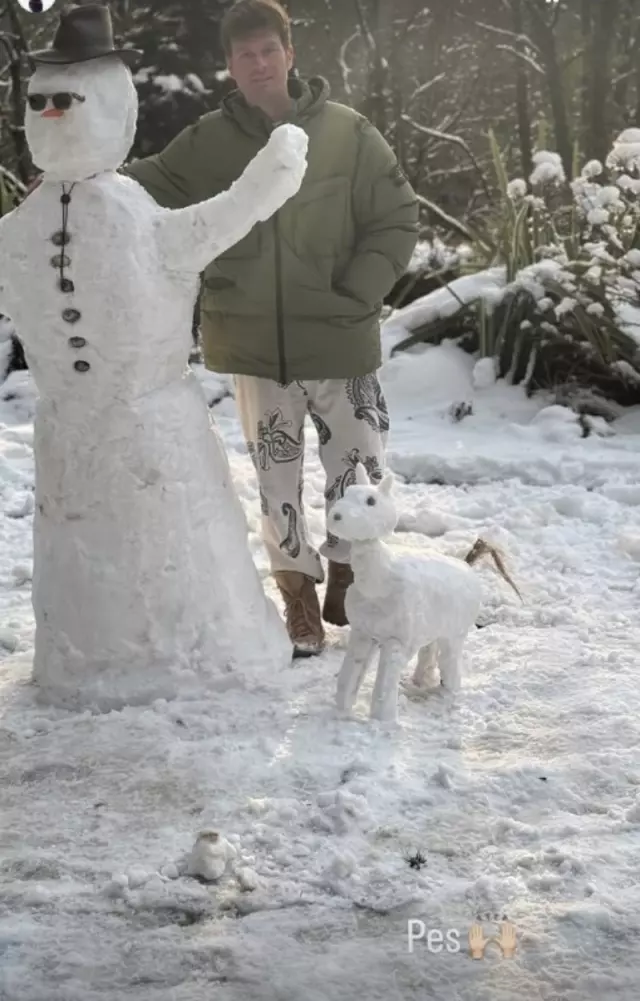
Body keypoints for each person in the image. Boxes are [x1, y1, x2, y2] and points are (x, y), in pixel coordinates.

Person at [123, 0, 419, 657]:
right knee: (275, 479)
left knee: (359, 469)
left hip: (340, 339)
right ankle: (299, 597)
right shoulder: (207, 142)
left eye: (268, 50)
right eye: (244, 54)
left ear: (289, 53)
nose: (258, 64)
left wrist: (358, 291)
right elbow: (146, 188)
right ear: (228, 65)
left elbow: (397, 217)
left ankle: (350, 575)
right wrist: (76, 186)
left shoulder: (347, 132)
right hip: (254, 347)